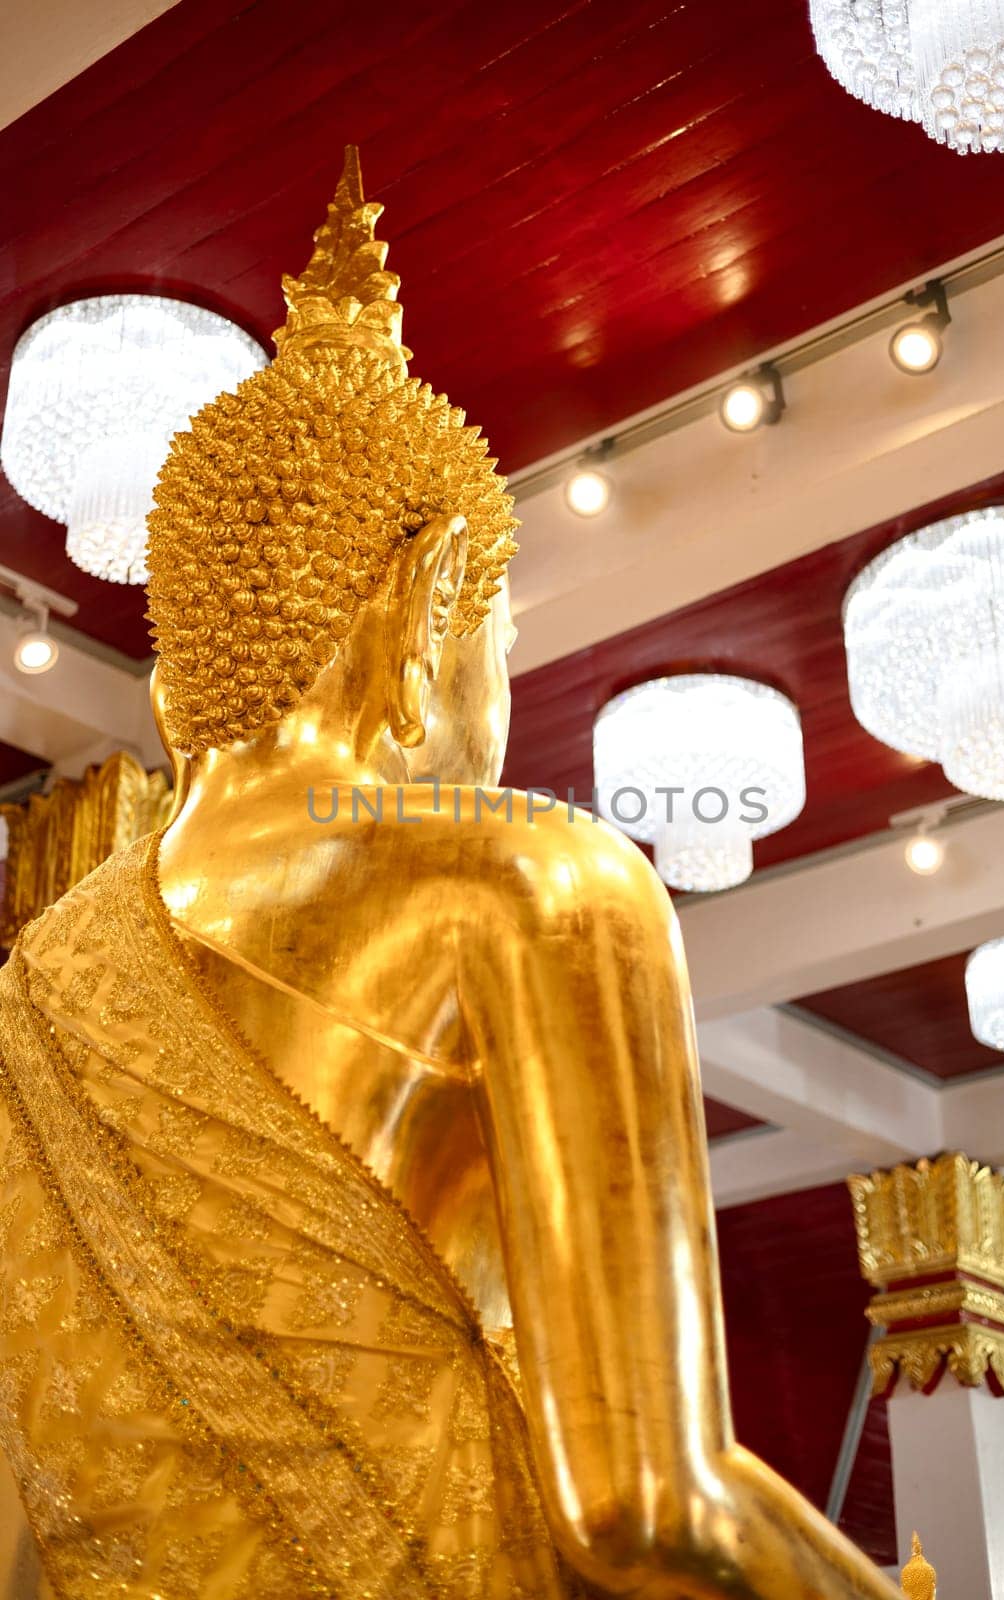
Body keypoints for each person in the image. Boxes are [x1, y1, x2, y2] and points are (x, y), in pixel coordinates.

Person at [0, 149, 903, 1600]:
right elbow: (646, 1510)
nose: (505, 685)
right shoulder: (531, 885)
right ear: (429, 606)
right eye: (506, 639)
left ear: (186, 668)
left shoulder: (43, 972)